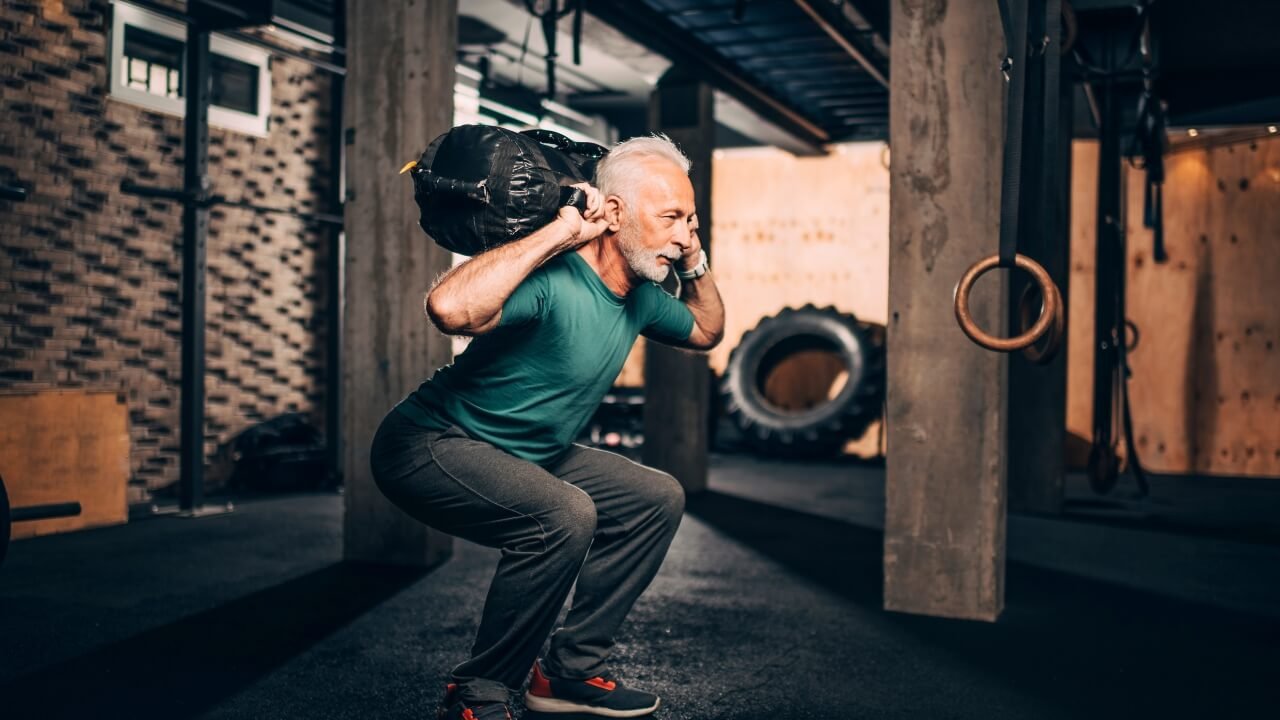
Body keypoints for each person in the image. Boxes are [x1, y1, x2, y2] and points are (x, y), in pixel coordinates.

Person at [369, 134, 725, 719]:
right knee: (563, 514)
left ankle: (569, 672)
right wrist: (562, 231)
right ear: (613, 214)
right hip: (430, 445)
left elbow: (707, 330)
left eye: (690, 219)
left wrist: (696, 262)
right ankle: (479, 688)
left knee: (655, 497)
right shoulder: (553, 279)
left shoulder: (638, 297)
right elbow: (449, 310)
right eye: (671, 218)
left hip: (528, 452)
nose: (685, 233)